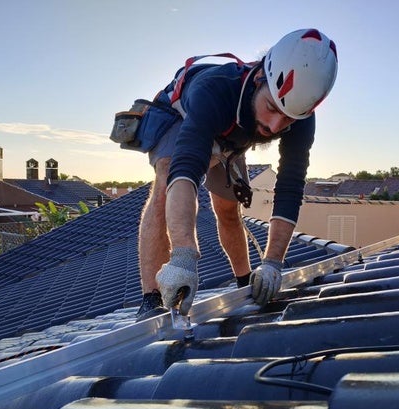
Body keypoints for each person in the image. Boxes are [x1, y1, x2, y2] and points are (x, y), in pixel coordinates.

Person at [135, 28, 338, 320]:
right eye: (270, 107)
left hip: (233, 138)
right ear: (258, 78)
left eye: (288, 118)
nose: (275, 125)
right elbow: (186, 171)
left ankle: (245, 281)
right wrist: (183, 255)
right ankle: (150, 298)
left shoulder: (300, 115)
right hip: (182, 119)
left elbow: (290, 186)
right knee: (165, 183)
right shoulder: (214, 89)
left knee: (228, 210)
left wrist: (272, 264)